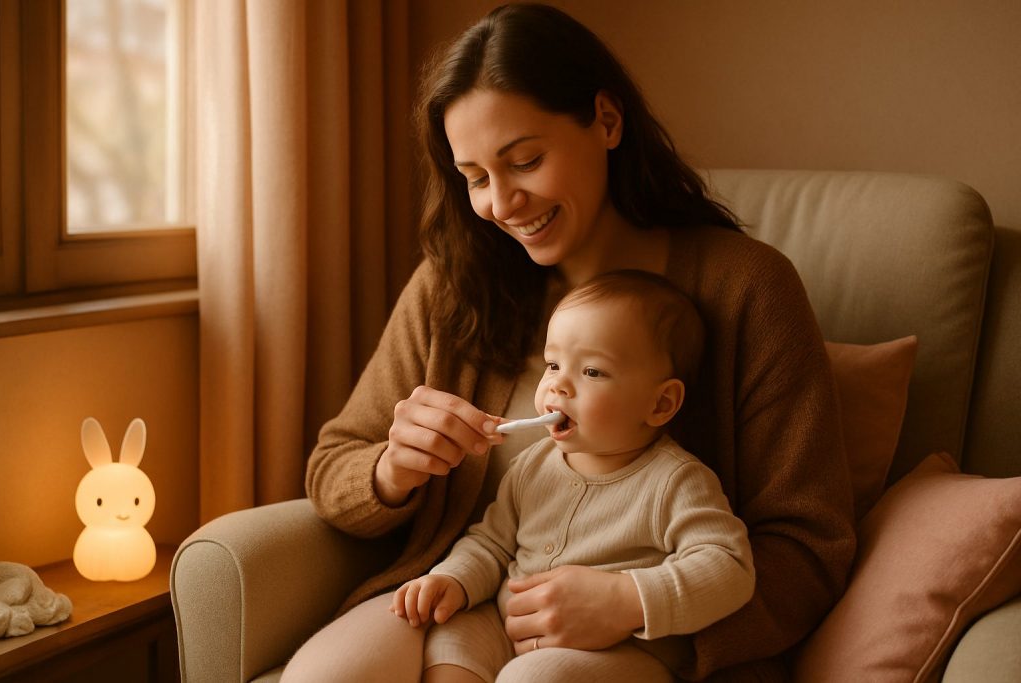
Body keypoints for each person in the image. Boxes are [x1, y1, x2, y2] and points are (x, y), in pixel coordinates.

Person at [285, 3, 855, 681]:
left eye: (524, 160)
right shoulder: (454, 284)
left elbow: (809, 547)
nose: (500, 203)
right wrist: (391, 470)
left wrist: (628, 605)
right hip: (475, 603)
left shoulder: (748, 288)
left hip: (647, 642)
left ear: (607, 122)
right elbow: (332, 467)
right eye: (474, 178)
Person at [391, 270, 756, 683]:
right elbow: (491, 545)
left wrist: (629, 599)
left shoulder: (676, 482)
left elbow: (729, 568)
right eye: (553, 364)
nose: (557, 385)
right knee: (449, 641)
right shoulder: (533, 464)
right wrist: (453, 578)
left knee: (535, 677)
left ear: (661, 404)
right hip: (511, 625)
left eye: (593, 372)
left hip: (621, 652)